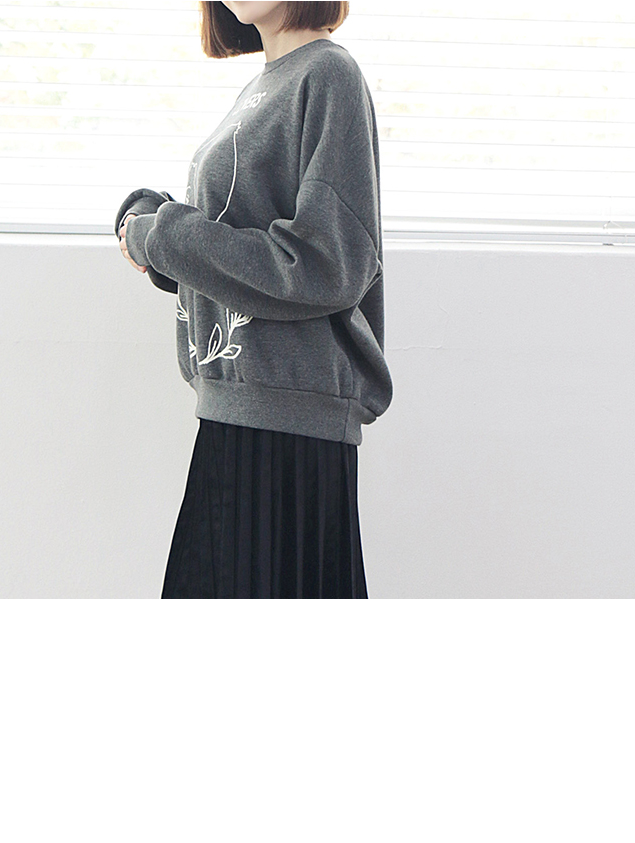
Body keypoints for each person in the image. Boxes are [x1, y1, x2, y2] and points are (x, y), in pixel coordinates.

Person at [115, 1, 392, 598]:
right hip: (236, 410)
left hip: (288, 429)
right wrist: (156, 229)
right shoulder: (267, 84)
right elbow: (243, 251)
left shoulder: (328, 75)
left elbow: (326, 264)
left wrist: (163, 236)